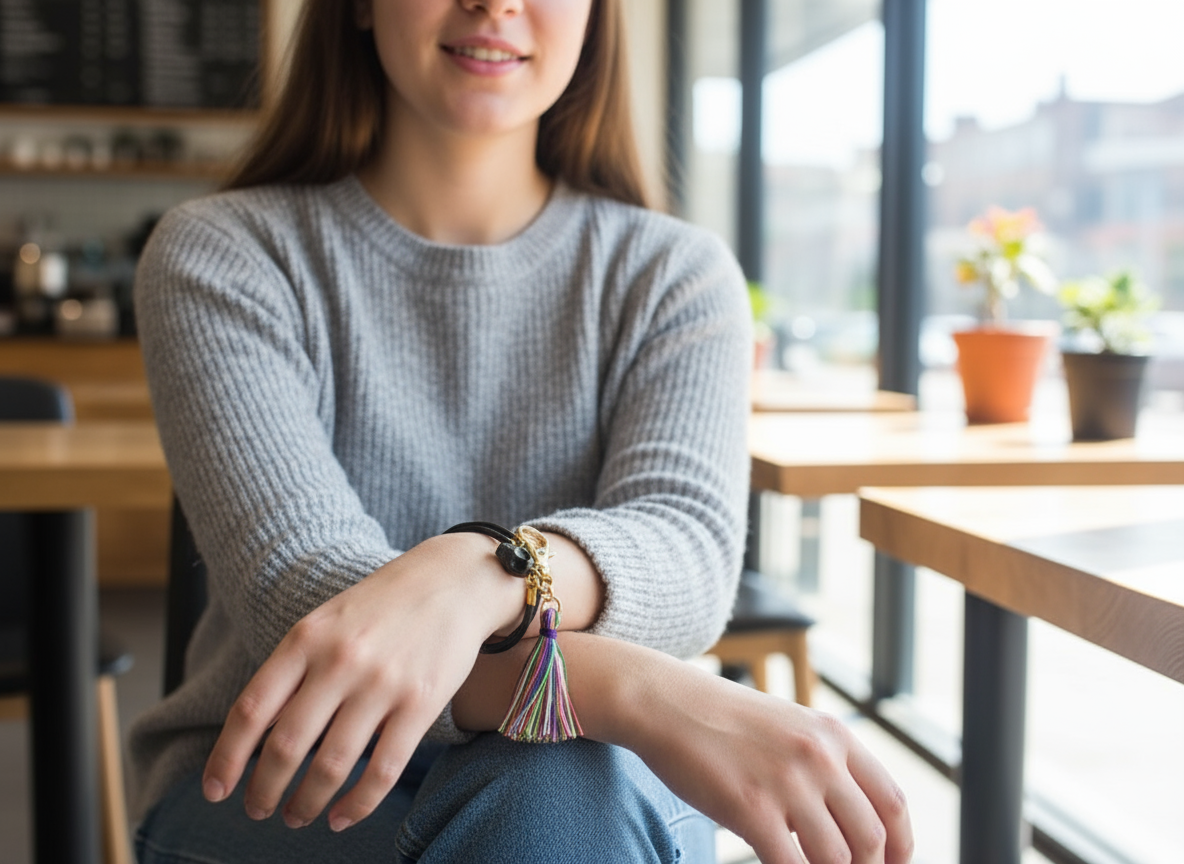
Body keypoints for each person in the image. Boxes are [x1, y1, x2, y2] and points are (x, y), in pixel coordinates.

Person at [128, 1, 914, 862]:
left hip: (588, 784)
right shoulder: (224, 254)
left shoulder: (672, 275)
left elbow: (686, 549)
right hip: (288, 776)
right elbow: (315, 604)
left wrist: (484, 577)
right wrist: (619, 688)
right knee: (561, 793)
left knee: (559, 787)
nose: (494, 2)